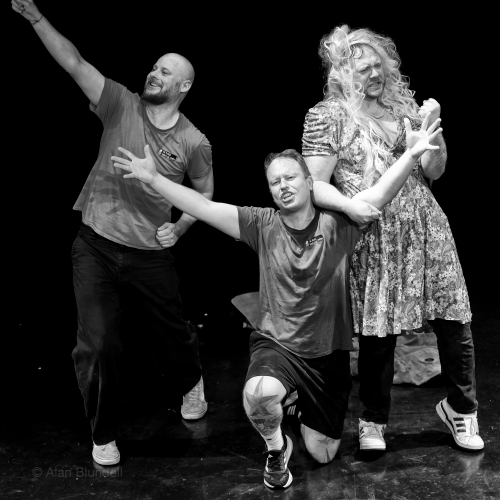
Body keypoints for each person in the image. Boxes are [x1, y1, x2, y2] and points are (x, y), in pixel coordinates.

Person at [110, 113, 441, 488]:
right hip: (277, 346)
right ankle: (276, 448)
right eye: (275, 182)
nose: (283, 186)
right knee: (260, 395)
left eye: (290, 178)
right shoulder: (261, 224)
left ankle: (295, 406)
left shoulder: (339, 224)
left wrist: (412, 154)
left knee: (322, 453)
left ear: (309, 182)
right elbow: (204, 208)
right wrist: (154, 179)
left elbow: (379, 193)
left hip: (328, 357)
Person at [12, 0, 214, 466]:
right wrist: (36, 18)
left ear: (183, 86)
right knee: (98, 343)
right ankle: (103, 433)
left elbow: (204, 192)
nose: (154, 74)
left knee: (172, 338)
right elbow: (74, 62)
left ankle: (190, 382)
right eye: (154, 68)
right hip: (95, 246)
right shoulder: (120, 102)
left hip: (149, 254)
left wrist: (181, 226)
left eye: (165, 72)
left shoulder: (194, 141)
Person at [301, 25, 483, 452]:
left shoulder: (404, 108)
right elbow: (315, 184)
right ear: (342, 74)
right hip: (374, 233)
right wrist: (348, 207)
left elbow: (434, 171)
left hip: (427, 229)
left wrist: (432, 130)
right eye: (363, 69)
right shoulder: (328, 116)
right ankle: (373, 420)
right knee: (378, 331)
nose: (374, 74)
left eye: (378, 66)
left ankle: (462, 409)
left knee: (454, 320)